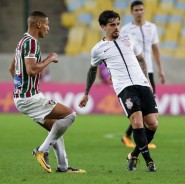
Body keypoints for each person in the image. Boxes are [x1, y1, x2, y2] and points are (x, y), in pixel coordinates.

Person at [79, 10, 158, 172]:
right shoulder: (98, 49)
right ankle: (149, 161)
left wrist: (148, 81)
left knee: (152, 124)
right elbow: (92, 70)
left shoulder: (129, 40)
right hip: (124, 88)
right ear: (103, 27)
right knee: (137, 123)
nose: (116, 28)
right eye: (112, 25)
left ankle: (134, 155)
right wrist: (86, 92)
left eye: (117, 24)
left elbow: (141, 60)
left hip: (142, 84)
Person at [9, 11, 85, 174]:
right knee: (70, 115)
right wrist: (50, 58)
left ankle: (63, 167)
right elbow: (31, 70)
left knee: (55, 128)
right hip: (29, 97)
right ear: (38, 24)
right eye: (47, 24)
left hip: (23, 97)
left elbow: (12, 69)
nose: (48, 28)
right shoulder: (32, 42)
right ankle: (41, 150)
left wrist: (20, 88)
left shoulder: (21, 42)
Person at [120, 0, 165, 149]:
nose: (139, 12)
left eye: (141, 9)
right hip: (134, 73)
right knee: (138, 107)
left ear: (144, 11)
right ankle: (132, 137)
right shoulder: (126, 29)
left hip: (149, 71)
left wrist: (160, 69)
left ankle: (133, 137)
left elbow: (155, 48)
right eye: (136, 10)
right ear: (132, 12)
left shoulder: (152, 27)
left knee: (149, 107)